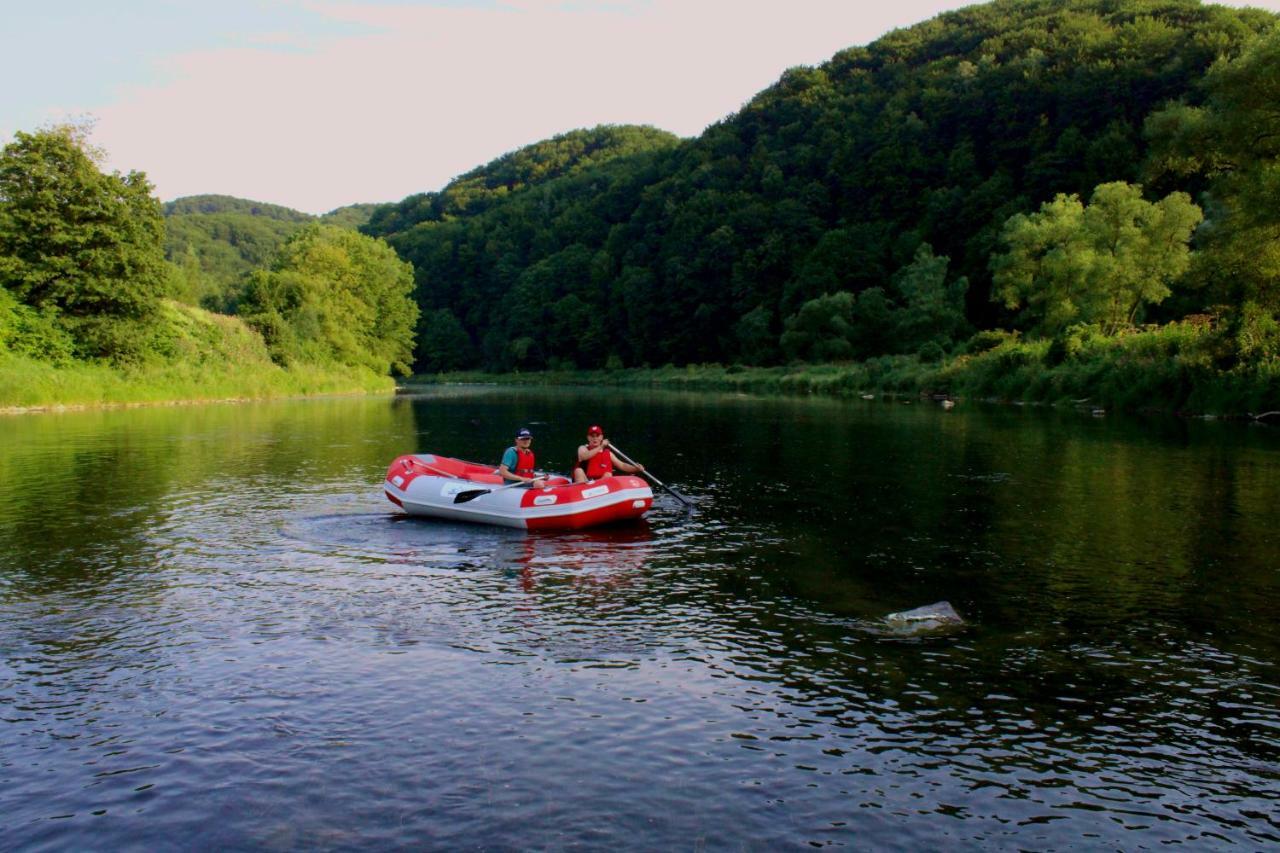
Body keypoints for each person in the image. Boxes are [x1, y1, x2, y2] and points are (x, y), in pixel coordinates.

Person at [572, 424, 644, 483]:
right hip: (585, 482)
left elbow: (622, 465)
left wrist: (635, 468)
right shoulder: (582, 448)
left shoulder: (608, 453)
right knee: (578, 471)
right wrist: (601, 446)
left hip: (599, 484)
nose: (595, 438)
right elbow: (584, 456)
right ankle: (579, 495)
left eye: (597, 436)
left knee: (608, 474)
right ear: (588, 438)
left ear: (601, 437)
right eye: (592, 436)